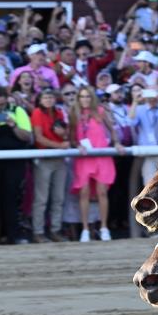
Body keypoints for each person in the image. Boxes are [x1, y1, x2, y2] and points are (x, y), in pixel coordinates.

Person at [70, 86, 122, 242]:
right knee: (84, 193)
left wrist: (117, 143)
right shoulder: (74, 113)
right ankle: (85, 229)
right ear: (78, 98)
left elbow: (112, 130)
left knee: (102, 193)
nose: (85, 99)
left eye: (88, 96)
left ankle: (104, 227)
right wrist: (77, 146)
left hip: (101, 156)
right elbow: (72, 136)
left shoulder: (100, 111)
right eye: (82, 96)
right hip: (84, 157)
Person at [0, 85, 33, 245]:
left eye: (1, 105)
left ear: (7, 100)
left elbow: (27, 137)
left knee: (12, 197)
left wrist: (13, 126)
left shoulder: (18, 111)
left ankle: (14, 235)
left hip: (14, 161)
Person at [30, 87, 70, 242]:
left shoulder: (59, 112)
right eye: (45, 97)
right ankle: (38, 231)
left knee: (58, 197)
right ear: (40, 100)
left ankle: (55, 230)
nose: (48, 100)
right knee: (41, 198)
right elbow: (39, 138)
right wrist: (60, 145)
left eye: (51, 97)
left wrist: (63, 136)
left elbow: (66, 134)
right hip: (45, 158)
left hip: (59, 158)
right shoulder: (37, 113)